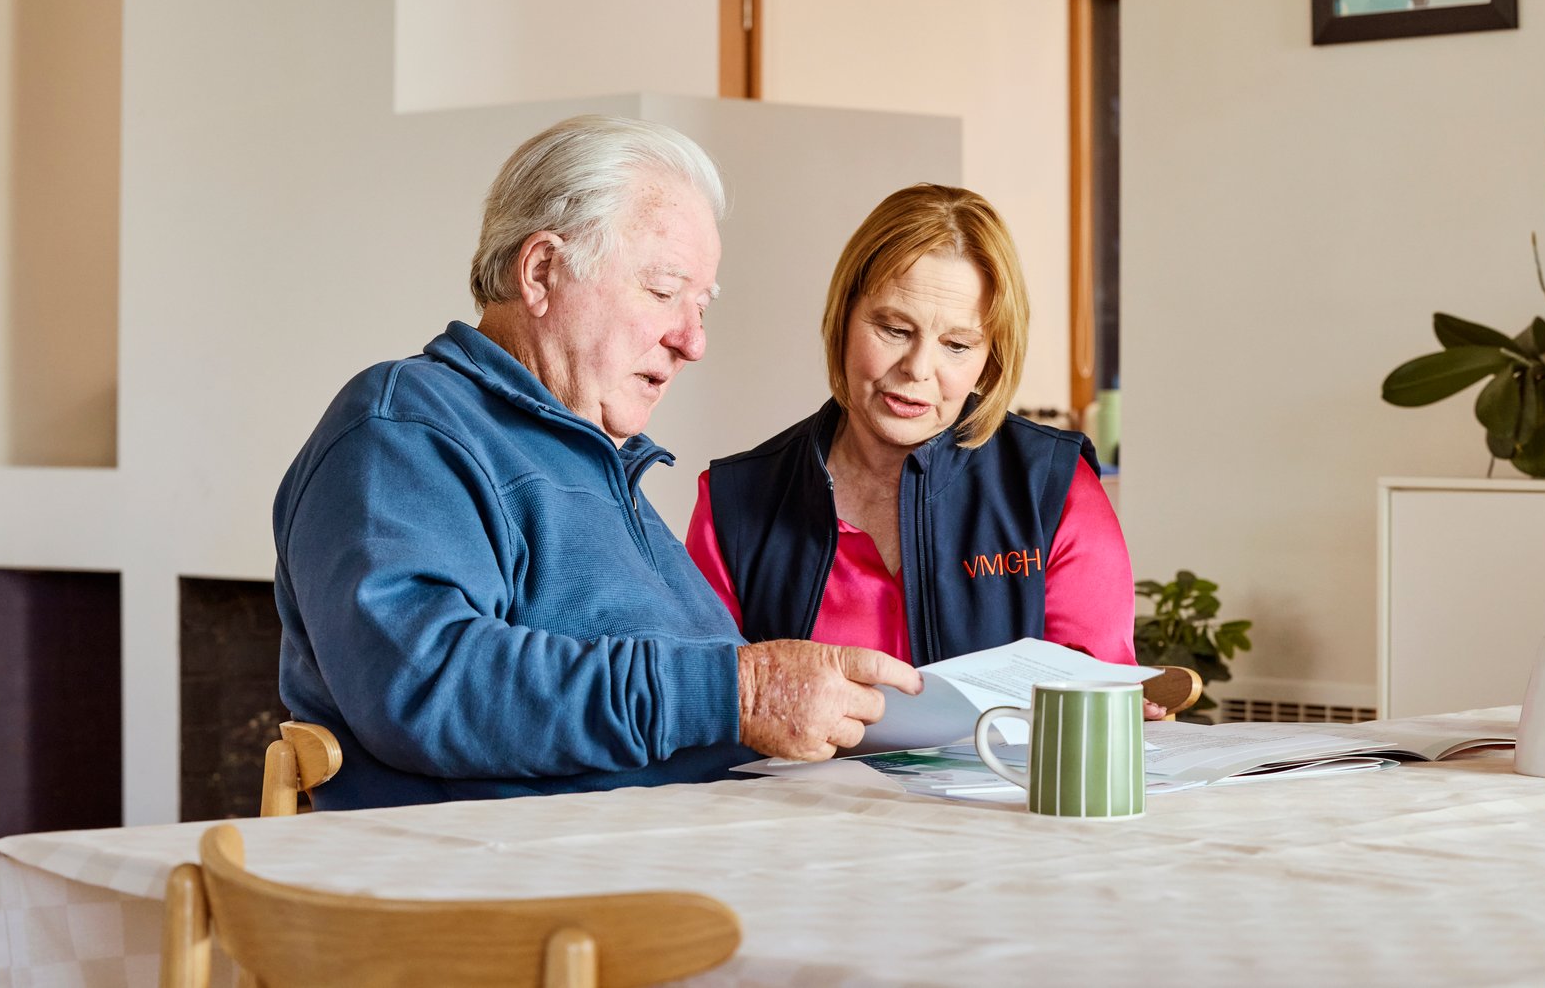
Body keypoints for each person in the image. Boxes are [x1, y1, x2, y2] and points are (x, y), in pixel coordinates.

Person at [273, 115, 921, 808]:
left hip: (671, 862)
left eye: (702, 305)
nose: (693, 341)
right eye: (665, 292)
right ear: (543, 271)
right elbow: (428, 683)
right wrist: (743, 691)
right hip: (521, 891)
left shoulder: (599, 460)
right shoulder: (402, 431)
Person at [687, 184, 1154, 698]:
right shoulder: (735, 499)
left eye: (956, 344)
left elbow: (1091, 713)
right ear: (844, 318)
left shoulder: (1054, 487)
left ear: (990, 357)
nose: (917, 369)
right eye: (893, 329)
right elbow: (707, 701)